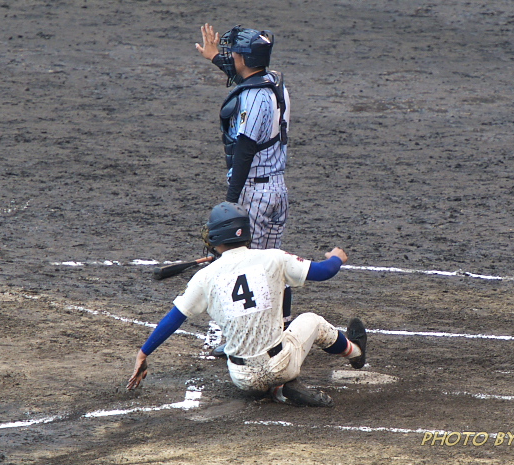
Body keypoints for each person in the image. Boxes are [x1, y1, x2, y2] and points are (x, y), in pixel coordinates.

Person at [127, 202, 367, 407]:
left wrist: (143, 352)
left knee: (251, 351)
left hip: (242, 377)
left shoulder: (204, 277)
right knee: (312, 321)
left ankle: (278, 391)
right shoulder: (273, 258)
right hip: (280, 365)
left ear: (217, 236)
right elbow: (325, 272)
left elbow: (174, 319)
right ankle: (355, 351)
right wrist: (337, 256)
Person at [196, 24, 294, 351]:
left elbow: (245, 150)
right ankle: (282, 328)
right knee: (273, 264)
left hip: (255, 192)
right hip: (275, 190)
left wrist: (229, 205)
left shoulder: (254, 99)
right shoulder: (274, 82)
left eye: (233, 52)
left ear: (243, 56)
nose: (230, 54)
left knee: (247, 269)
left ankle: (240, 338)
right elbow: (247, 77)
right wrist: (215, 60)